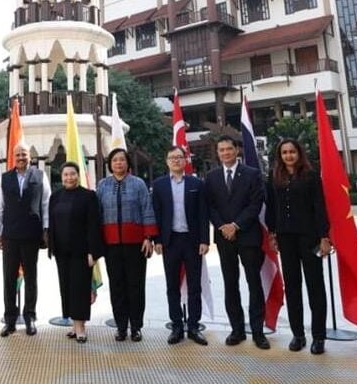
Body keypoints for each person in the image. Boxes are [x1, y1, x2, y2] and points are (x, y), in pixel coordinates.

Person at [265, 138, 331, 355]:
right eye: (284, 152)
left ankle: (319, 337)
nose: (288, 156)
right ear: (280, 156)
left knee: (315, 287)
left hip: (309, 237)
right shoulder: (274, 177)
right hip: (286, 238)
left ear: (299, 153)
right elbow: (272, 207)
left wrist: (324, 236)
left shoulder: (311, 176)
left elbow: (319, 206)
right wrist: (272, 233)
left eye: (292, 152)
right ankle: (298, 334)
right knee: (292, 287)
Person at [205, 135, 269, 349]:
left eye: (229, 149)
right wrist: (223, 226)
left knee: (254, 283)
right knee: (230, 284)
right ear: (218, 153)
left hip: (248, 236)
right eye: (221, 150)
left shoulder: (252, 174)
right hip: (225, 239)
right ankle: (237, 329)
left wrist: (236, 225)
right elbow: (210, 206)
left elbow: (255, 204)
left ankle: (258, 331)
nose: (225, 153)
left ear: (237, 150)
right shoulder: (211, 176)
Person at [96, 148, 156, 342]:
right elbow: (98, 214)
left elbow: (147, 209)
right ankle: (121, 326)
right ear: (110, 164)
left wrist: (148, 236)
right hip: (111, 244)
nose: (119, 163)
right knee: (117, 286)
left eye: (122, 160)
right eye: (115, 160)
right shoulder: (103, 185)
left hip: (136, 244)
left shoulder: (138, 184)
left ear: (128, 163)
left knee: (136, 285)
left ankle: (136, 326)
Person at [152, 146, 209, 345]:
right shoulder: (159, 185)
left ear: (185, 160)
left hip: (192, 241)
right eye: (172, 157)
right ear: (167, 161)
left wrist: (204, 239)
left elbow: (203, 213)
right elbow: (156, 215)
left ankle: (193, 326)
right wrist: (157, 240)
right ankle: (176, 326)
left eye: (179, 157)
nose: (176, 160)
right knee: (172, 285)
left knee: (195, 285)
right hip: (170, 241)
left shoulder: (196, 183)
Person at [0, 142, 50, 337]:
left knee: (31, 278)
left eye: (24, 154)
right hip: (10, 235)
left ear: (30, 156)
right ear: (13, 157)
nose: (21, 158)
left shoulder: (40, 176)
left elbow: (46, 204)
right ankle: (10, 320)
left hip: (31, 235)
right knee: (9, 278)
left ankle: (30, 317)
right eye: (17, 155)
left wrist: (46, 229)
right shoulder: (5, 178)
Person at [48, 161, 105, 343]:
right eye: (65, 174)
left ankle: (80, 327)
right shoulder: (55, 197)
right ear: (61, 176)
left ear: (78, 175)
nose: (69, 177)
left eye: (72, 174)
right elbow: (52, 223)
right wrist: (51, 247)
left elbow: (93, 225)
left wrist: (93, 252)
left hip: (81, 252)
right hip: (61, 251)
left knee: (80, 289)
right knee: (66, 288)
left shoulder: (88, 196)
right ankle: (73, 324)